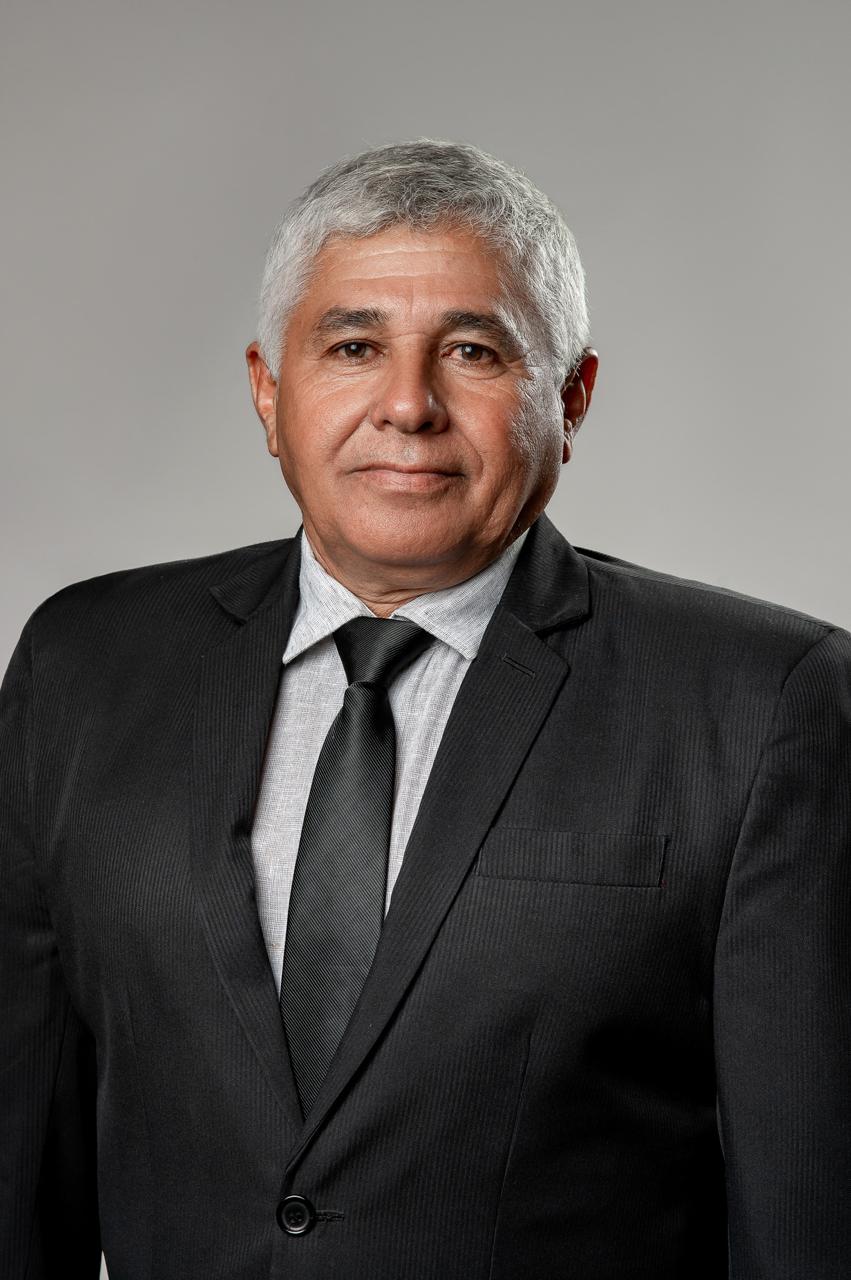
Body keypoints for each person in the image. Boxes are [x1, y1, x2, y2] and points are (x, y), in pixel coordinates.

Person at [1, 139, 849, 1280]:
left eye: (472, 352)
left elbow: (808, 1217)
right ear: (267, 389)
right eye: (353, 347)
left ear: (571, 398)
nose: (407, 406)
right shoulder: (83, 667)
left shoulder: (764, 704)